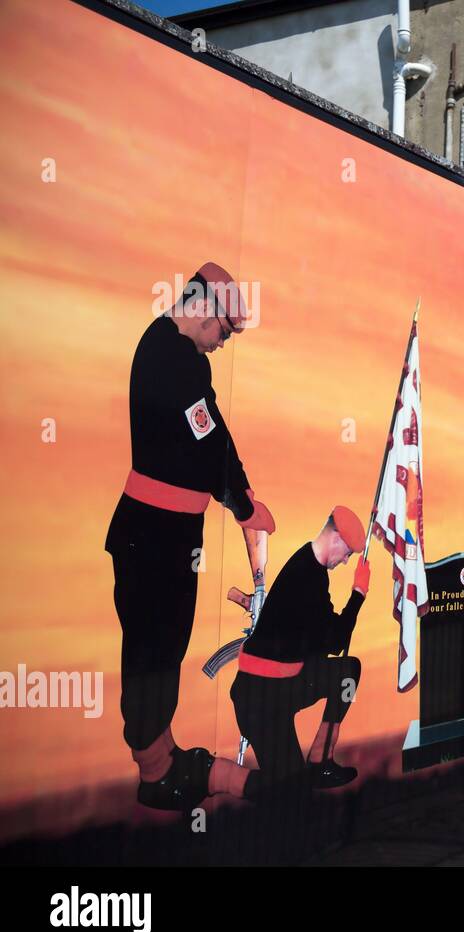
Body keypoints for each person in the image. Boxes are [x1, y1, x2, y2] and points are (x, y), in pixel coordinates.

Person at [105, 261, 275, 812]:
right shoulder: (171, 357)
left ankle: (163, 757)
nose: (222, 343)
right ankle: (157, 772)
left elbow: (213, 432)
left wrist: (244, 498)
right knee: (154, 649)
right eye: (223, 331)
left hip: (162, 533)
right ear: (202, 306)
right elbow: (207, 447)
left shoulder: (173, 354)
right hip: (154, 535)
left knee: (162, 647)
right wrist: (244, 506)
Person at [229, 506, 370, 790]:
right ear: (337, 539)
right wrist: (358, 595)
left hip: (287, 683)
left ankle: (321, 760)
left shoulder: (311, 568)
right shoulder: (307, 578)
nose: (345, 561)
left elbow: (327, 638)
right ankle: (227, 779)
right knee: (292, 793)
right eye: (347, 554)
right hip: (261, 699)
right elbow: (336, 641)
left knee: (347, 671)